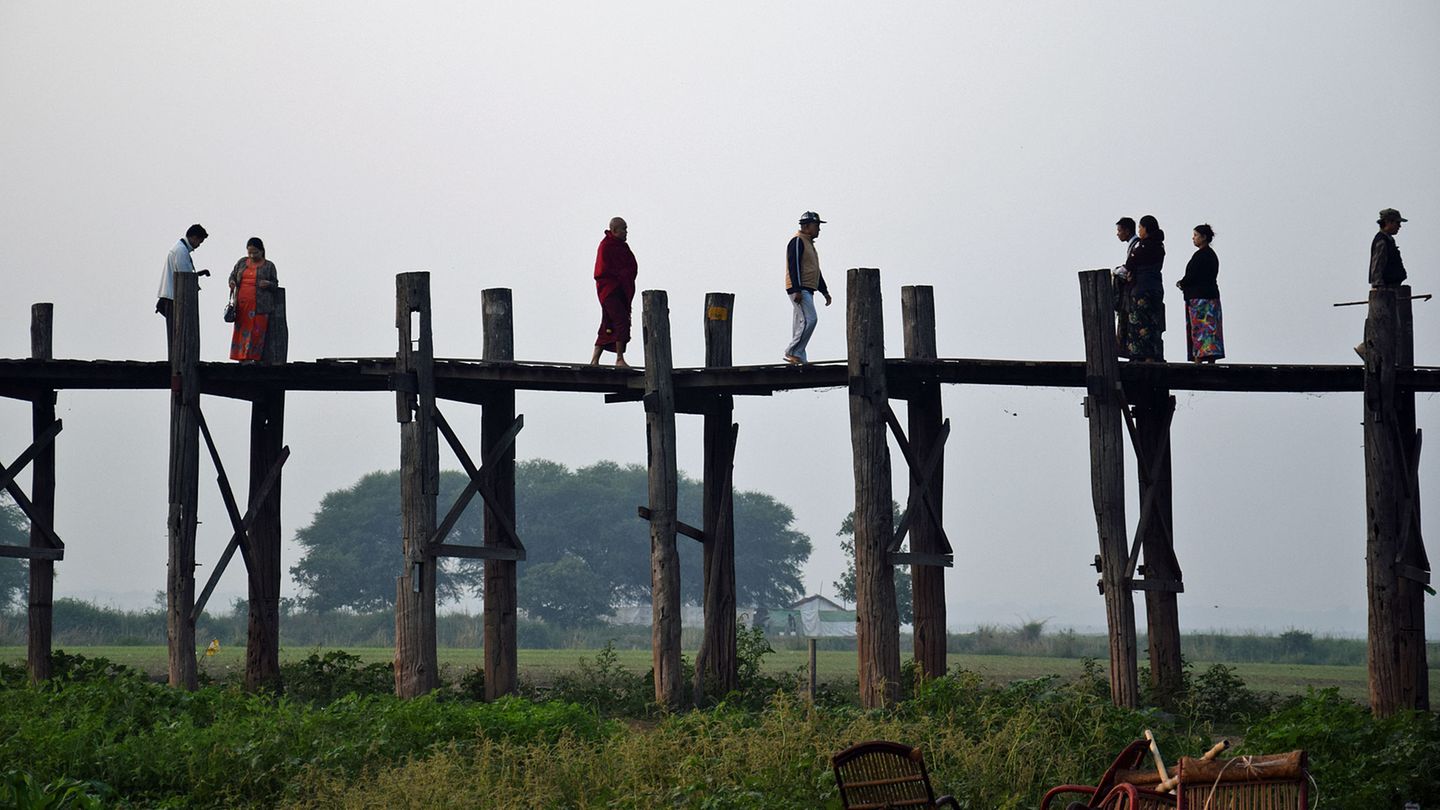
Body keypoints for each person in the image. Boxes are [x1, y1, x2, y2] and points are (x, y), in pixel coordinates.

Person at [783, 211, 833, 364]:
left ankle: (799, 357)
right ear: (806, 226)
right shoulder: (797, 241)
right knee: (810, 319)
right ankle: (792, 351)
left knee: (800, 322)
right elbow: (794, 266)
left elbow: (815, 270)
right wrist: (797, 289)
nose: (819, 229)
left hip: (807, 288)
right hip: (799, 288)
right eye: (816, 225)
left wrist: (824, 291)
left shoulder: (808, 243)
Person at [590, 216, 638, 367]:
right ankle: (619, 359)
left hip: (619, 290)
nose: (626, 232)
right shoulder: (606, 246)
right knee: (620, 321)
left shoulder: (622, 247)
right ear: (615, 230)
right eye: (624, 229)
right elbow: (602, 271)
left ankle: (594, 360)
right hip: (610, 290)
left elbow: (630, 265)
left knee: (607, 324)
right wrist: (620, 277)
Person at [1176, 224, 1224, 363]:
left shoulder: (1200, 256)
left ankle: (1198, 359)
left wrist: (1182, 283)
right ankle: (1211, 359)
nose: (1193, 238)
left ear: (1203, 238)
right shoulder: (1212, 256)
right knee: (1211, 331)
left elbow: (1192, 276)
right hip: (1211, 297)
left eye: (1196, 235)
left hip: (1199, 299)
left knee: (1199, 330)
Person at [228, 237, 279, 363]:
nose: (252, 255)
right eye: (249, 252)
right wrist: (232, 282)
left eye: (255, 252)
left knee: (256, 333)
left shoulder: (269, 266)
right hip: (242, 306)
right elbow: (232, 275)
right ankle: (241, 358)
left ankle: (254, 358)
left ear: (261, 251)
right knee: (242, 332)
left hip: (260, 306)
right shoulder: (241, 262)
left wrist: (268, 284)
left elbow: (275, 284)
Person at [1122, 214, 1166, 361]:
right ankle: (1152, 356)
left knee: (1139, 323)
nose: (1139, 230)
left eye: (1140, 227)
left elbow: (1130, 264)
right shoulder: (1160, 245)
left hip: (1142, 288)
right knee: (1153, 322)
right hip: (1156, 287)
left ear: (1146, 229)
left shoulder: (1143, 245)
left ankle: (1140, 356)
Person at [155, 224, 209, 340]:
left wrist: (198, 274)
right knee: (178, 334)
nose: (198, 245)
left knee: (176, 333)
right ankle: (179, 358)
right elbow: (185, 277)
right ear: (194, 237)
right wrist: (195, 279)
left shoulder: (180, 249)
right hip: (174, 299)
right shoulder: (181, 251)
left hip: (172, 297)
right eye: (199, 241)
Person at [1112, 217, 1139, 357]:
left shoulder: (1136, 245)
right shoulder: (1133, 244)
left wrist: (1115, 272)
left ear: (1127, 231)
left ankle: (1129, 351)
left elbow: (1129, 267)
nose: (1118, 233)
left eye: (1119, 230)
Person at [1370, 208, 1408, 288]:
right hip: (1387, 289)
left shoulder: (1389, 240)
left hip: (1393, 287)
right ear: (1388, 222)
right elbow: (1377, 266)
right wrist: (1378, 286)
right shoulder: (1382, 241)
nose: (1399, 226)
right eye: (1397, 223)